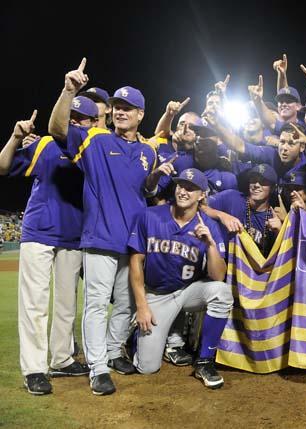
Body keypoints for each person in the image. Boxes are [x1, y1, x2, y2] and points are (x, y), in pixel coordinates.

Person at [47, 59, 157, 395]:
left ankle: (112, 352)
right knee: (96, 303)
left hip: (132, 241)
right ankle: (97, 368)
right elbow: (58, 129)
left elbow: (145, 191)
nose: (121, 112)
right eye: (117, 107)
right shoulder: (93, 140)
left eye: (128, 108)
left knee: (125, 303)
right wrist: (69, 92)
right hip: (100, 237)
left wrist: (156, 180)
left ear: (140, 115)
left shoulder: (148, 152)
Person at [0, 101, 96, 394]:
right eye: (73, 116)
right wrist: (16, 137)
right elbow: (3, 165)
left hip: (74, 236)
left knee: (68, 304)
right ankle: (35, 369)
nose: (76, 122)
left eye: (84, 118)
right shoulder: (45, 144)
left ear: (94, 122)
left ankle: (62, 359)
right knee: (34, 304)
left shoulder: (96, 150)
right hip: (39, 231)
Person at [128, 168, 233, 390]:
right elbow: (135, 262)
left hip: (187, 292)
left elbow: (218, 276)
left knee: (222, 292)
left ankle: (205, 361)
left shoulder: (209, 226)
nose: (183, 191)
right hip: (156, 294)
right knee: (147, 367)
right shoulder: (151, 215)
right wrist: (141, 306)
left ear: (202, 195)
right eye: (181, 186)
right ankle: (138, 337)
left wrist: (211, 245)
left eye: (191, 188)